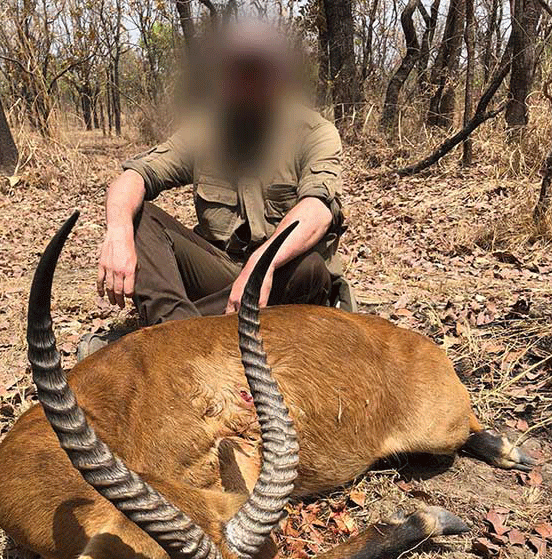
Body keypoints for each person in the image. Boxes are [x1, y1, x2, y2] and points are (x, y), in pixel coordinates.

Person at [79, 19, 356, 360]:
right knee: (141, 219)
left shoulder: (314, 131)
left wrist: (261, 264)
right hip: (221, 270)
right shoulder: (207, 128)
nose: (247, 83)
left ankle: (163, 336)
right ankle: (182, 342)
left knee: (311, 269)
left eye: (257, 71)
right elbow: (136, 174)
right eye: (238, 72)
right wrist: (118, 231)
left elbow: (317, 209)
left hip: (282, 275)